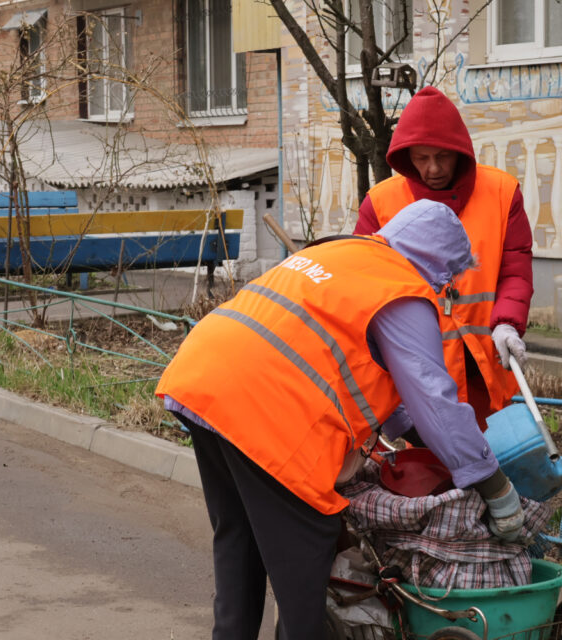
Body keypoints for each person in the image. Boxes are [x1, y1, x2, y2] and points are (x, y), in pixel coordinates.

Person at [155, 200, 526, 640]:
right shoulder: (402, 289)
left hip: (202, 378)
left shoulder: (339, 253)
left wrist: (409, 430)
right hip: (262, 408)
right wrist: (494, 485)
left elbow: (377, 378)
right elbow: (436, 400)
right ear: (442, 267)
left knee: (240, 538)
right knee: (310, 538)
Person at [353, 86, 534, 431]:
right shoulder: (380, 203)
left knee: (490, 456)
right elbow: (365, 287)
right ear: (406, 157)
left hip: (484, 362)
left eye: (442, 156)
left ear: (459, 152)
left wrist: (508, 322)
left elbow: (515, 269)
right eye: (421, 158)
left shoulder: (501, 192)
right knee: (430, 466)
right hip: (413, 368)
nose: (433, 168)